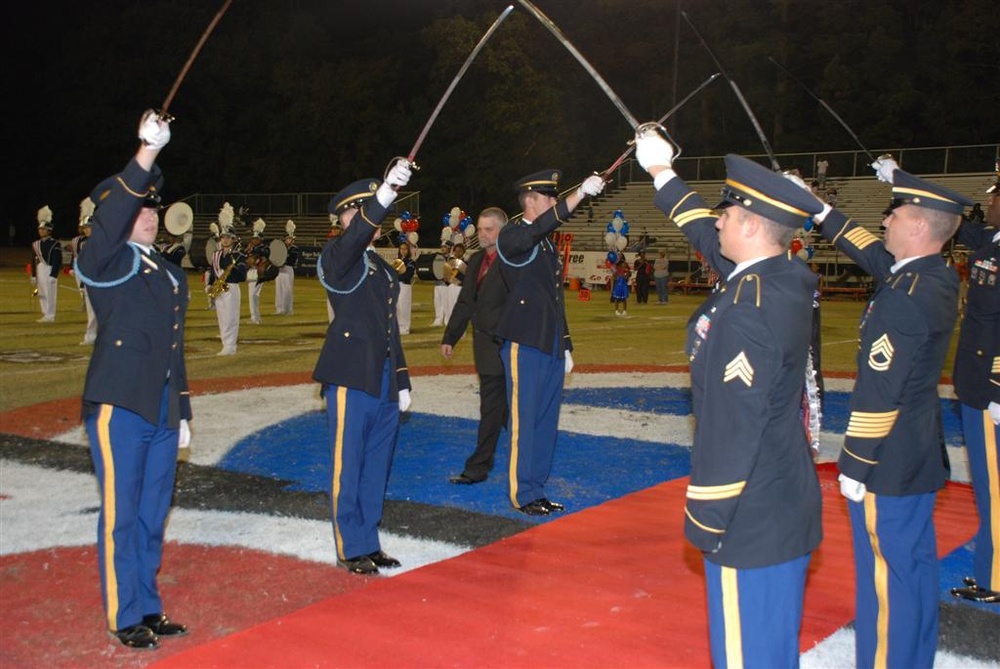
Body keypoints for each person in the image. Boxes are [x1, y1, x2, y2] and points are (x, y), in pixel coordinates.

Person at [634, 131, 824, 668]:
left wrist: (709, 514)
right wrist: (662, 173)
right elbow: (702, 231)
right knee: (770, 650)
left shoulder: (746, 309)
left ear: (749, 224)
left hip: (750, 512)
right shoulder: (783, 279)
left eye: (727, 213)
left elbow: (733, 426)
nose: (716, 220)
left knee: (746, 656)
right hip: (783, 501)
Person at [815, 154, 973, 668]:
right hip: (916, 452)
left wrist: (855, 462)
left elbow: (883, 390)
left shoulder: (905, 296)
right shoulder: (934, 277)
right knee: (912, 570)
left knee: (886, 580)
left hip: (887, 458)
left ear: (921, 225)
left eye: (896, 214)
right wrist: (819, 209)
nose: (885, 220)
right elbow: (870, 253)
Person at [73, 109, 191, 650]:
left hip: (162, 408)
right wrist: (145, 153)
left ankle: (148, 604)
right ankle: (125, 614)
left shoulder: (166, 272)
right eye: (141, 204)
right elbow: (113, 216)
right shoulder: (104, 260)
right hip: (119, 406)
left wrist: (183, 411)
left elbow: (174, 351)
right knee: (122, 515)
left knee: (151, 513)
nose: (150, 212)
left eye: (153, 205)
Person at [314, 160, 413, 575]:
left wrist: (403, 379)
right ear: (345, 218)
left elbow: (391, 328)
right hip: (351, 375)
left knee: (376, 464)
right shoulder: (338, 258)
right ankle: (350, 545)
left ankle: (369, 540)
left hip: (384, 376)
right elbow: (353, 240)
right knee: (349, 463)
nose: (374, 217)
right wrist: (386, 192)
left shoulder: (383, 268)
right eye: (363, 210)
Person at [493, 169, 605, 516]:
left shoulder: (543, 243)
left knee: (544, 421)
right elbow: (541, 226)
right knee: (524, 422)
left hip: (549, 342)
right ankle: (521, 493)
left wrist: (566, 343)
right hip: (524, 341)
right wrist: (580, 195)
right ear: (530, 200)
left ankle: (536, 488)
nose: (555, 201)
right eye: (549, 196)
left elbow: (554, 298)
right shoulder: (512, 235)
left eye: (556, 196)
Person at [949, 174, 1000, 604]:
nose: (992, 203)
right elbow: (955, 223)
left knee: (995, 489)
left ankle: (997, 579)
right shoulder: (992, 238)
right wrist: (897, 181)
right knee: (987, 487)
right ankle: (988, 569)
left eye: (997, 196)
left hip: (991, 388)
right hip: (976, 383)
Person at [442, 207, 509, 485]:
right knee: (492, 410)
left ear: (502, 231)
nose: (482, 234)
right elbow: (466, 302)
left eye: (489, 229)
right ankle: (478, 468)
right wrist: (450, 337)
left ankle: (521, 467)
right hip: (486, 350)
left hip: (511, 348)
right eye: (480, 229)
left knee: (512, 411)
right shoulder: (477, 259)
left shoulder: (515, 260)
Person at [207, 226, 247, 355]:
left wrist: (232, 268)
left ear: (233, 239)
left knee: (231, 317)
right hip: (219, 288)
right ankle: (226, 344)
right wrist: (209, 284)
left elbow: (243, 276)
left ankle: (231, 345)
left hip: (232, 287)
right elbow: (213, 271)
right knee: (222, 318)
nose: (225, 240)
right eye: (223, 237)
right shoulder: (216, 254)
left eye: (228, 237)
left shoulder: (239, 255)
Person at [31, 205, 61, 323]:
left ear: (49, 231)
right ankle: (45, 313)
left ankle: (50, 315)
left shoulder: (55, 244)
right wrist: (33, 275)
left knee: (50, 293)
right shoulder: (36, 244)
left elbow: (57, 260)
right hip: (40, 268)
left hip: (49, 269)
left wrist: (54, 275)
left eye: (43, 229)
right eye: (40, 229)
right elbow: (34, 260)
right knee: (42, 292)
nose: (41, 231)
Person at [275, 220, 299, 315]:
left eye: (291, 239)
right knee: (279, 289)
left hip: (288, 269)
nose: (290, 240)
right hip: (279, 270)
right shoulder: (281, 247)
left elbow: (291, 260)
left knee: (287, 289)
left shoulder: (294, 249)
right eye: (288, 239)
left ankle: (288, 309)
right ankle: (279, 308)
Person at [442, 241, 466, 326]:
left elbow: (465, 278)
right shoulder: (450, 263)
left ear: (463, 252)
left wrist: (456, 273)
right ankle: (449, 324)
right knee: (448, 307)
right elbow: (447, 277)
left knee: (458, 308)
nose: (457, 252)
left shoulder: (466, 263)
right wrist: (446, 279)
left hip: (459, 288)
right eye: (456, 250)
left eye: (460, 251)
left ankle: (459, 327)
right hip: (450, 287)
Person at [394, 242, 416, 334]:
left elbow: (408, 275)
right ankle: (398, 326)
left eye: (405, 249)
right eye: (401, 249)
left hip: (405, 285)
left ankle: (405, 327)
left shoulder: (410, 262)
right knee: (397, 306)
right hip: (397, 286)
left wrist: (397, 277)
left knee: (404, 306)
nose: (403, 251)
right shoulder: (397, 261)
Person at [430, 242, 450, 326]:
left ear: (448, 248)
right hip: (437, 283)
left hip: (445, 284)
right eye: (442, 247)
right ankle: (438, 320)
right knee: (437, 302)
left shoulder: (450, 257)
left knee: (445, 302)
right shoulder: (438, 257)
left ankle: (446, 320)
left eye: (444, 247)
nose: (442, 249)